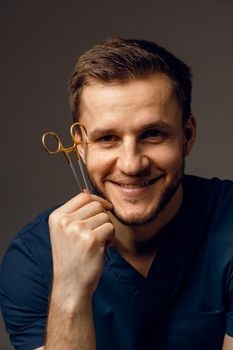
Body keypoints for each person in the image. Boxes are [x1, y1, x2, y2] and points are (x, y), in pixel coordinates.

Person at [0, 37, 233, 350]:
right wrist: (69, 290)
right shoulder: (32, 260)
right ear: (80, 146)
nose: (131, 164)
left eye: (152, 134)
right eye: (108, 138)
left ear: (187, 135)